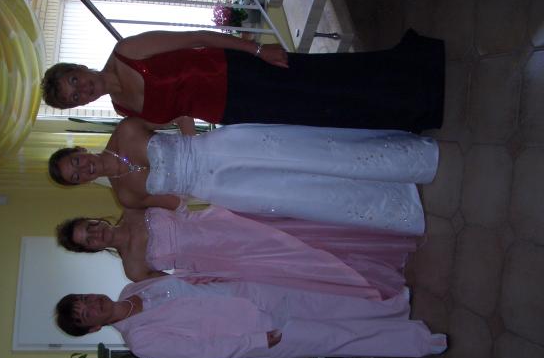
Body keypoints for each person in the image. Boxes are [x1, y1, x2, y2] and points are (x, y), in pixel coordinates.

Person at [48, 118, 439, 235]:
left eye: (76, 163)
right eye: (76, 177)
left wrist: (190, 142)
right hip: (212, 186)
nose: (83, 170)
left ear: (80, 150)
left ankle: (408, 162)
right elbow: (172, 203)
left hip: (216, 148)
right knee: (301, 195)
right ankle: (397, 205)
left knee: (311, 154)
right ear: (80, 185)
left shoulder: (126, 131)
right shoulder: (125, 197)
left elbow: (178, 112)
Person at [41, 29, 444, 132]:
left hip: (236, 71)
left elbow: (196, 38)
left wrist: (256, 49)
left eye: (75, 80)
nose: (82, 90)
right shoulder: (123, 109)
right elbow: (180, 115)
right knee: (318, 112)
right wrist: (196, 151)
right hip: (235, 110)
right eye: (74, 97)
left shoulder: (128, 50)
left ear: (80, 68)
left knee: (324, 79)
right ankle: (410, 110)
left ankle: (414, 72)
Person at [54, 274, 447, 358]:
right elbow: (201, 352)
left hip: (247, 294)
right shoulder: (141, 341)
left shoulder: (132, 289)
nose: (93, 304)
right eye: (87, 314)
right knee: (335, 338)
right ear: (94, 328)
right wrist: (255, 343)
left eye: (85, 299)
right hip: (255, 333)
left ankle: (393, 308)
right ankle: (418, 342)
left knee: (328, 305)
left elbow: (186, 282)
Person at [56, 205, 416, 299]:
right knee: (295, 262)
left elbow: (175, 197)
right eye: (89, 240)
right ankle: (367, 278)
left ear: (93, 219)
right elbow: (180, 287)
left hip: (223, 225)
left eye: (90, 226)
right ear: (92, 249)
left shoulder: (132, 209)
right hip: (224, 260)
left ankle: (379, 248)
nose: (96, 233)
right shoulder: (134, 270)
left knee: (297, 234)